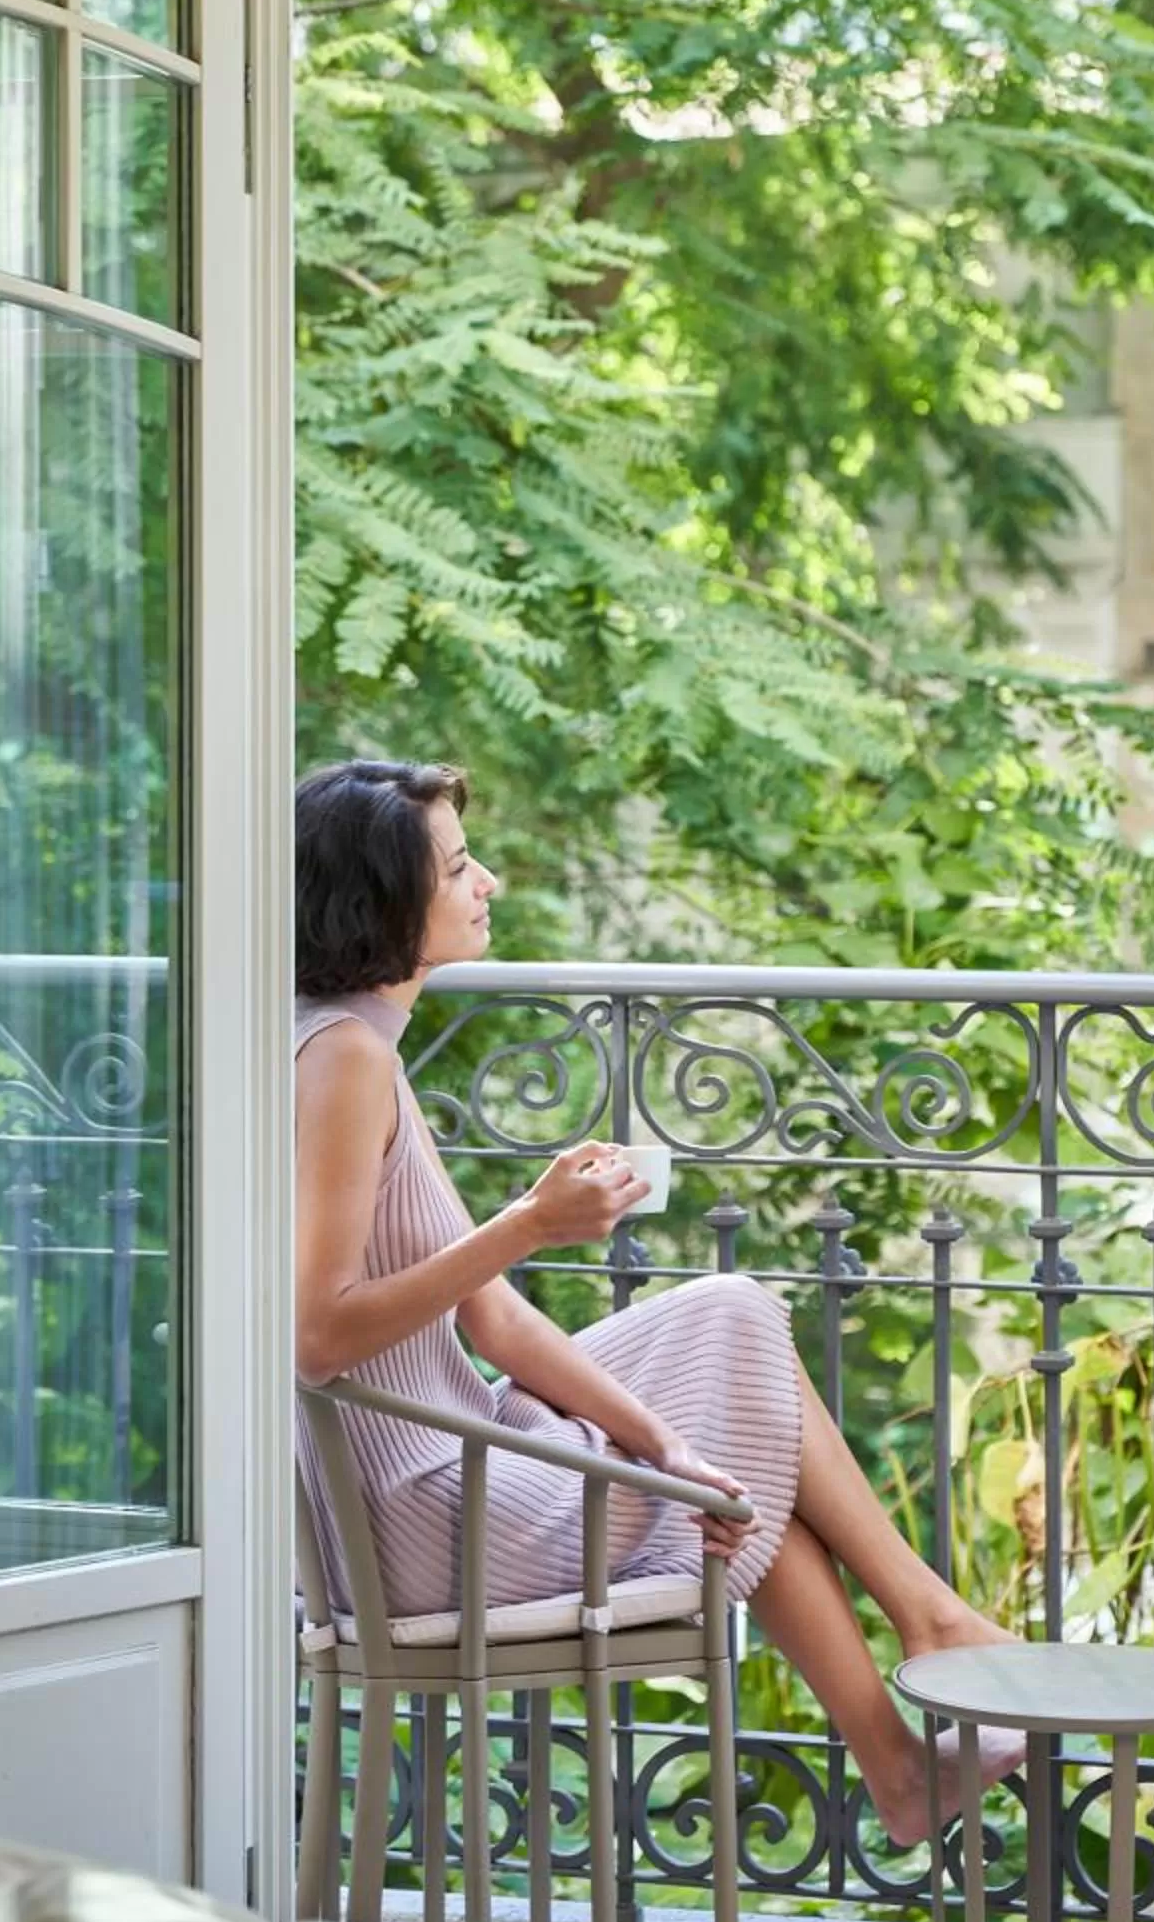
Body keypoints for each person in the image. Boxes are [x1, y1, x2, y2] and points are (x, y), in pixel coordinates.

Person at [293, 756, 1016, 1848]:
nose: (485, 882)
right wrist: (528, 1226)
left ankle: (906, 1737)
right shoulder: (342, 1058)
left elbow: (494, 1321)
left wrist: (661, 1444)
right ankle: (928, 1638)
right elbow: (315, 1333)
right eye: (457, 867)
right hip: (426, 1518)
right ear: (385, 902)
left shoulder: (352, 1044)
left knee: (733, 1408)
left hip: (457, 1459)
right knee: (732, 1319)